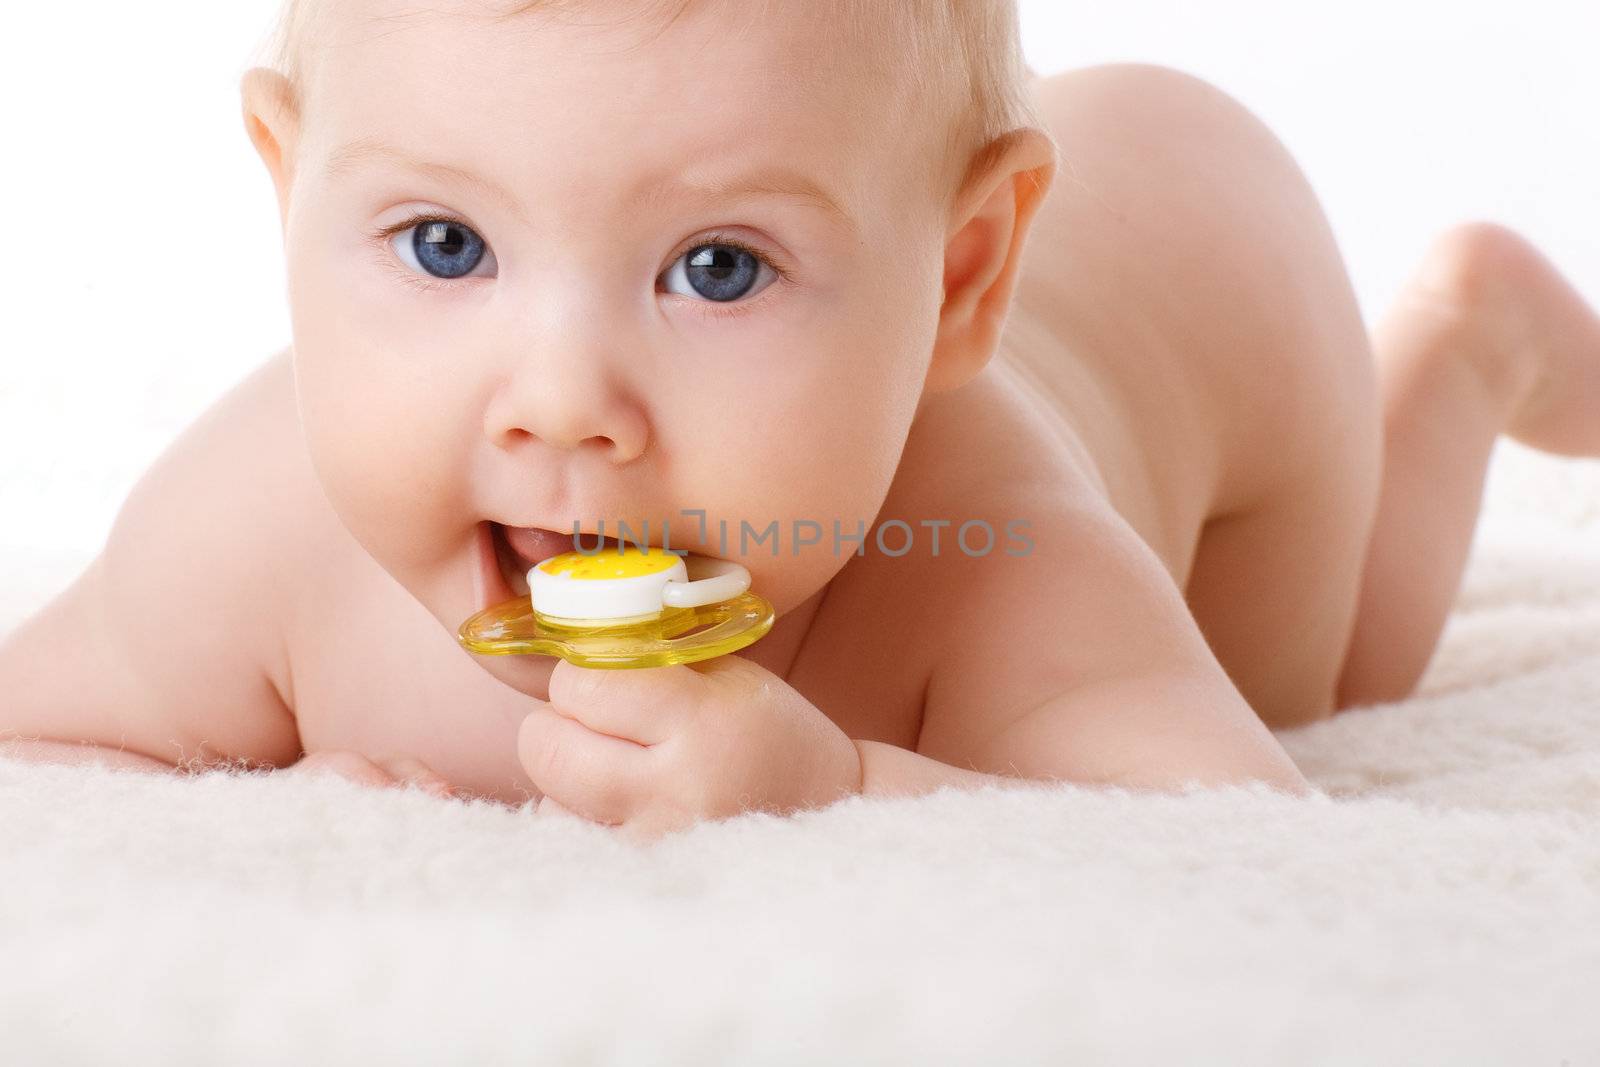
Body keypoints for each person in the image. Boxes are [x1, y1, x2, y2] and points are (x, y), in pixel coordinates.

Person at [4, 0, 1597, 842]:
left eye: (717, 268)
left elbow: (1253, 842)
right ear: (292, 193)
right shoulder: (255, 526)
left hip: (1215, 299)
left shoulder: (992, 558)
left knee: (1340, 672)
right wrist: (273, 812)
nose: (564, 401)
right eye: (446, 245)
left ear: (960, 276)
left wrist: (844, 796)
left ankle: (1465, 336)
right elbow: (36, 728)